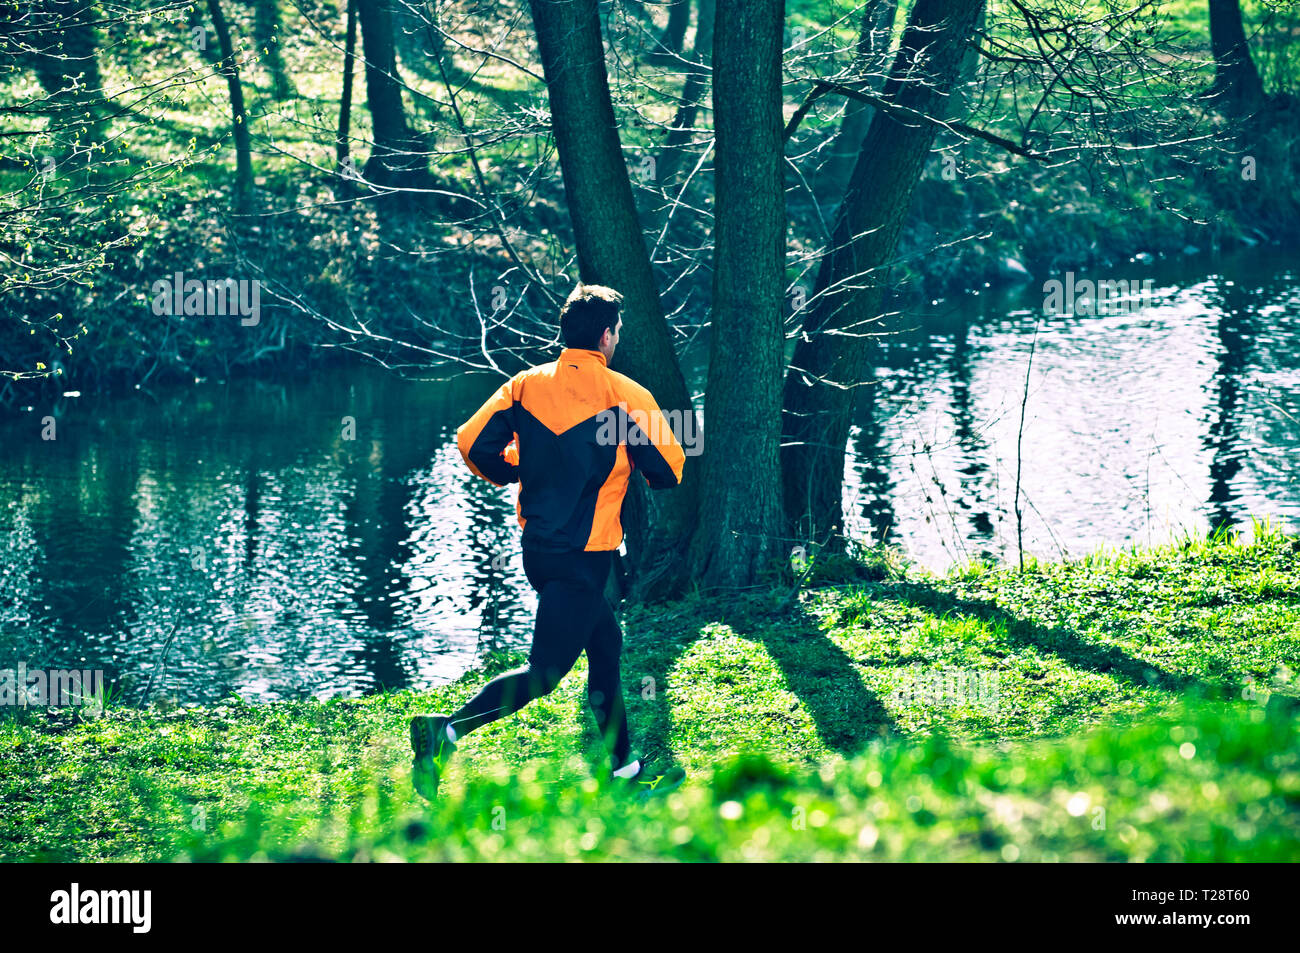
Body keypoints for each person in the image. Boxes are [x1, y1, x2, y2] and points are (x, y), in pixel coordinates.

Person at [410, 283, 686, 799]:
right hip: (584, 558)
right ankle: (443, 732)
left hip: (539, 549)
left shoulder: (523, 386)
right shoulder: (626, 395)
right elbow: (669, 471)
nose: (617, 340)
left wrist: (517, 467)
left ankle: (623, 771)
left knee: (606, 646)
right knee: (545, 674)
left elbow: (471, 443)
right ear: (606, 336)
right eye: (617, 332)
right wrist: (632, 459)